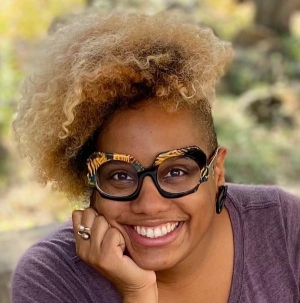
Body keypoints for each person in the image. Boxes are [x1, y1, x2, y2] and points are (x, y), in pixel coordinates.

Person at [11, 11, 300, 303]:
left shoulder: (286, 229)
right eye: (120, 175)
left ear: (218, 171)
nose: (149, 205)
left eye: (176, 171)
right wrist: (137, 293)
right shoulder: (52, 279)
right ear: (89, 182)